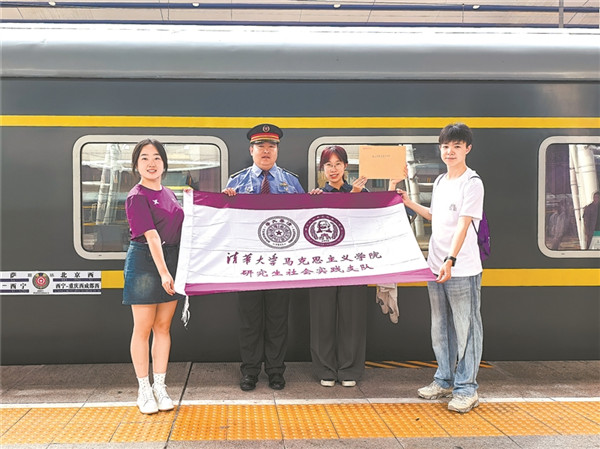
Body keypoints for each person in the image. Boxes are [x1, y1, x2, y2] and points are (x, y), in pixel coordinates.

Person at [396, 123, 484, 413]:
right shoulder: (440, 182)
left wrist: (451, 259)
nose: (450, 152)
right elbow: (435, 216)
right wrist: (408, 202)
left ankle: (467, 388)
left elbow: (463, 225)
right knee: (441, 327)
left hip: (461, 268)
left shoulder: (472, 183)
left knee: (467, 328)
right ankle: (444, 379)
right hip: (435, 265)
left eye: (457, 146)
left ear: (467, 149)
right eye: (446, 146)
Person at [223, 124, 305, 391]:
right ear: (251, 150)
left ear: (277, 150)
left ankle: (275, 371)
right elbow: (224, 222)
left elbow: (304, 217)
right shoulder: (236, 182)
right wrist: (225, 202)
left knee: (278, 320)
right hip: (249, 263)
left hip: (281, 264)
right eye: (261, 146)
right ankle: (249, 371)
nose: (266, 151)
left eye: (271, 146)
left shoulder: (292, 182)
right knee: (249, 321)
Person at [123, 138, 185, 414]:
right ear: (136, 165)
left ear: (164, 163)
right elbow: (151, 236)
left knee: (163, 327)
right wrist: (163, 273)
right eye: (145, 158)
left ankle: (160, 387)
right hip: (146, 263)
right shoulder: (137, 196)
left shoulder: (169, 193)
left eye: (157, 157)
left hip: (170, 259)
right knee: (143, 328)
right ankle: (144, 389)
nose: (151, 163)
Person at [308, 145, 369, 388]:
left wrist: (356, 195)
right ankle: (325, 370)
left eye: (337, 164)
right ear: (322, 169)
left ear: (345, 166)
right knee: (321, 318)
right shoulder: (315, 196)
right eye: (328, 165)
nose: (333, 169)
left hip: (354, 265)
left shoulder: (362, 193)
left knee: (352, 318)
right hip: (321, 266)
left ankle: (350, 370)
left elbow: (368, 225)